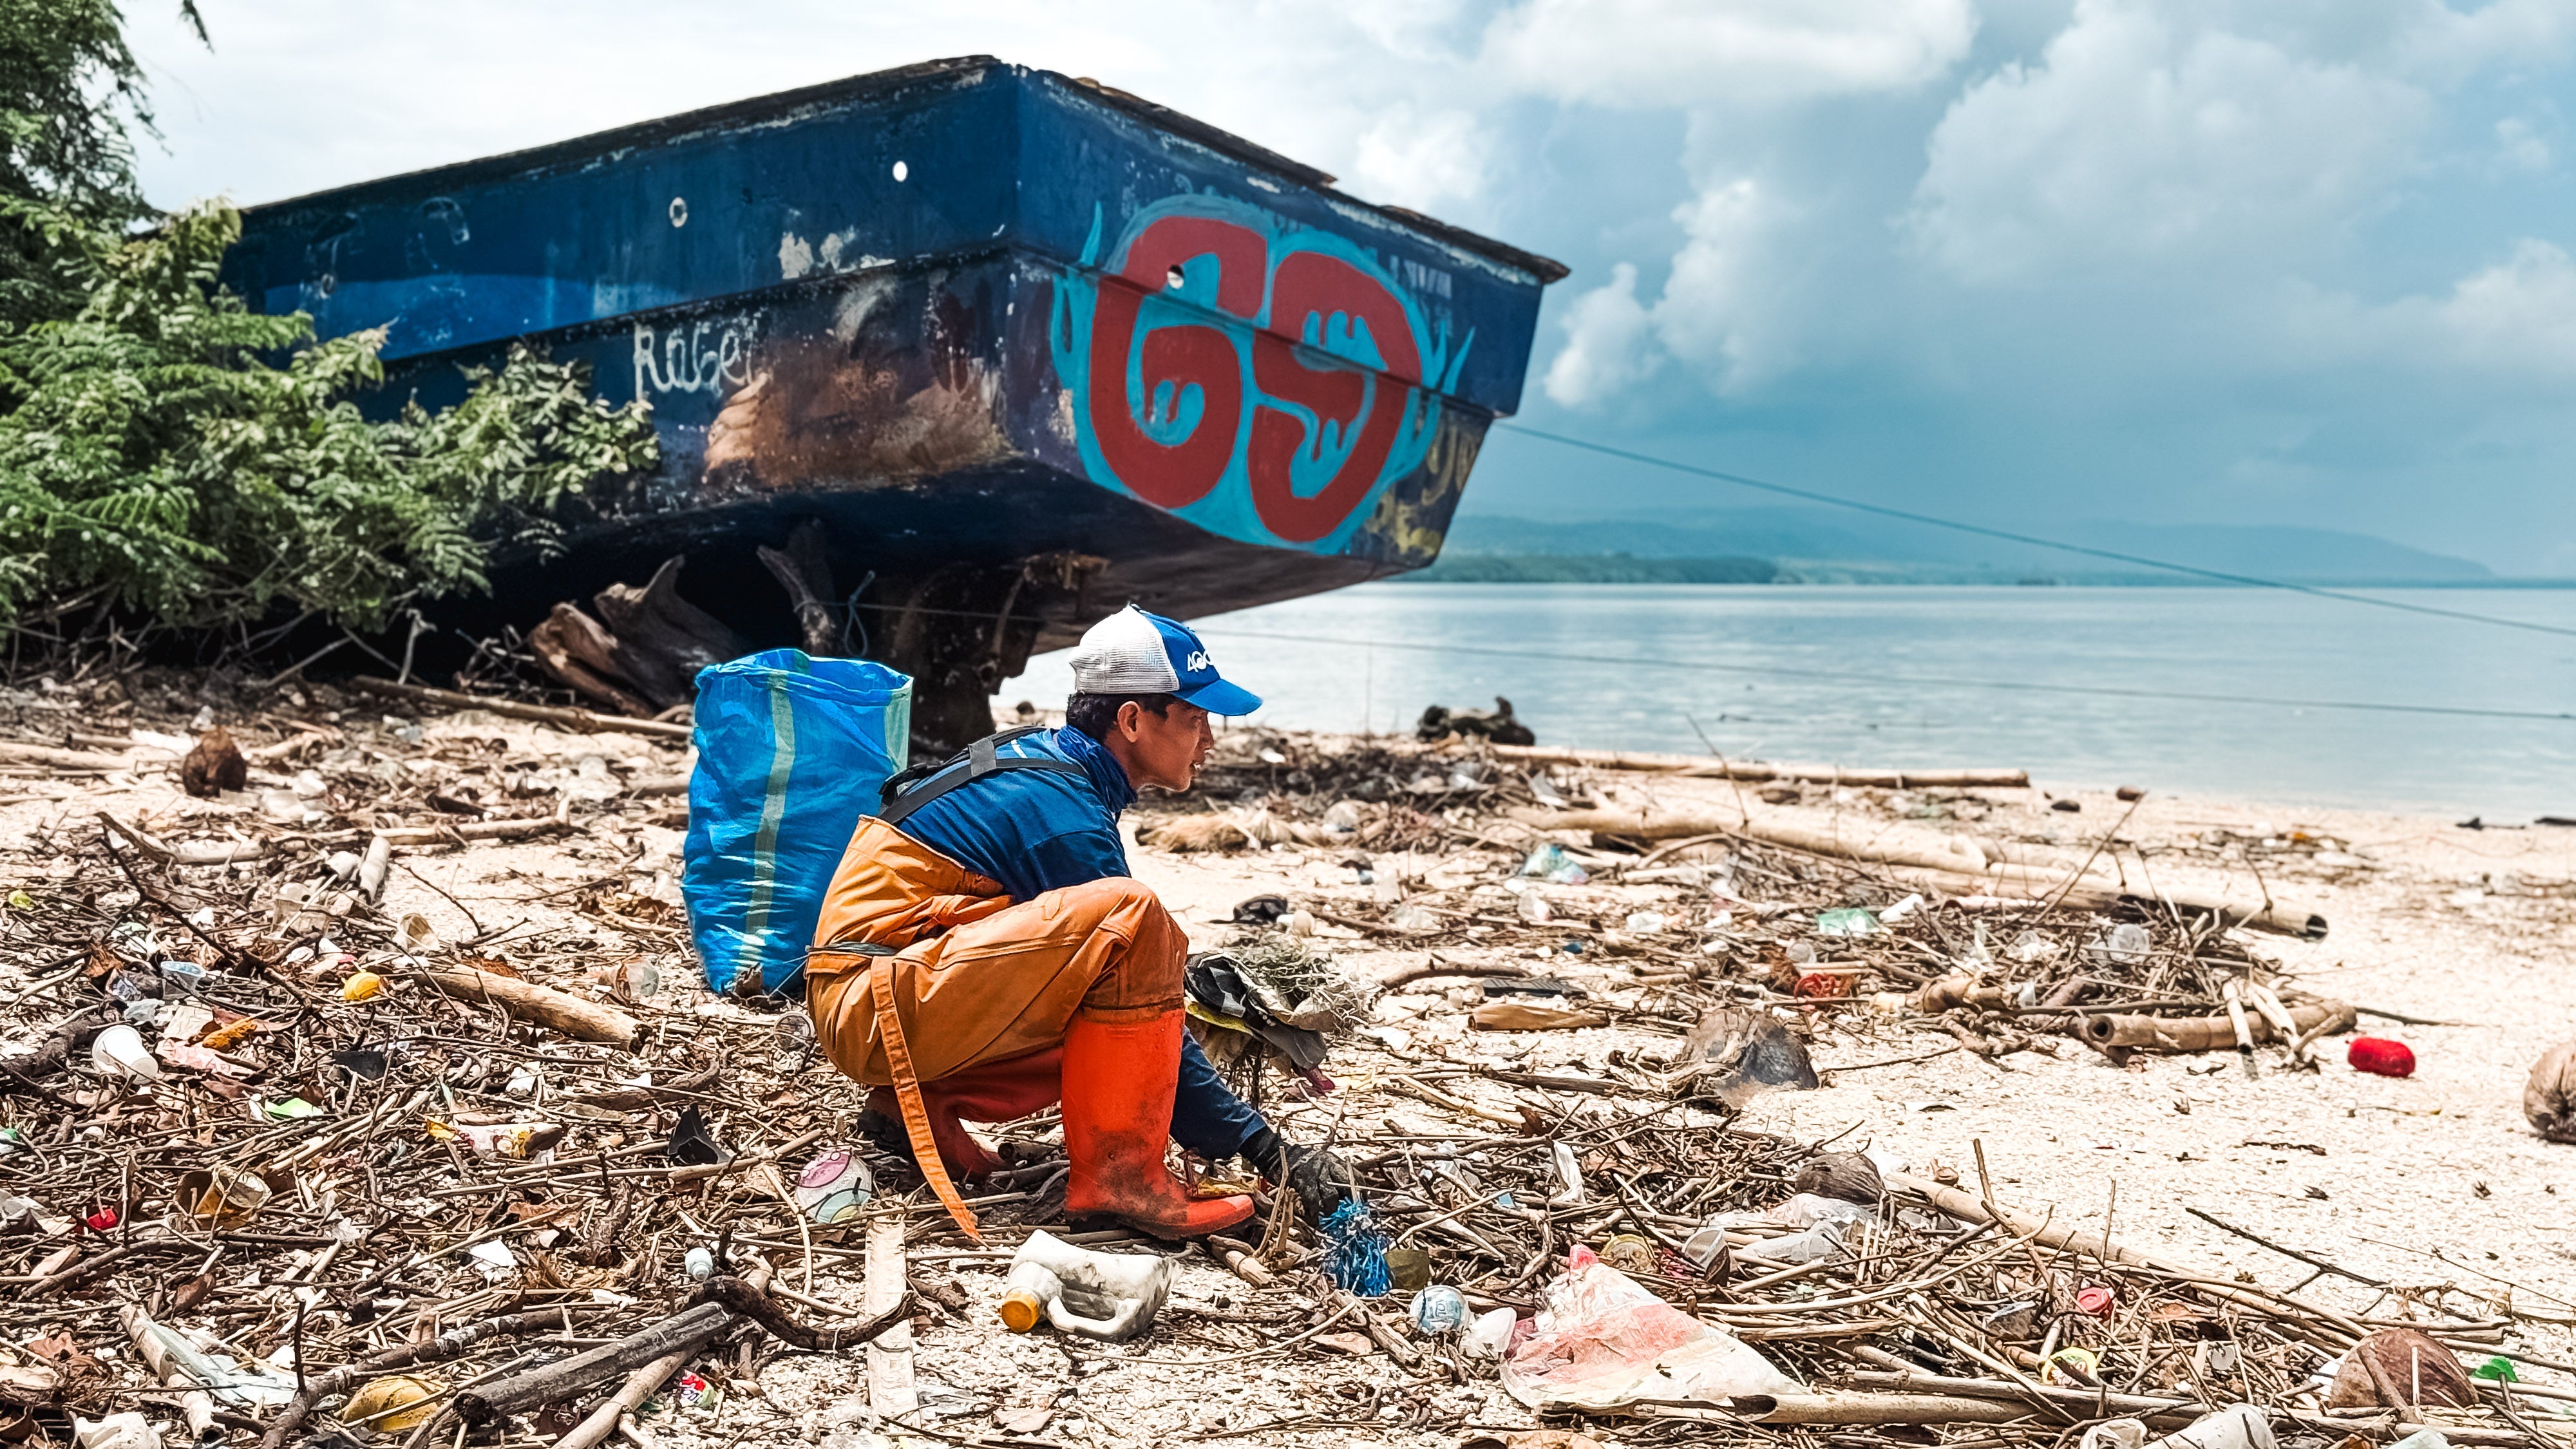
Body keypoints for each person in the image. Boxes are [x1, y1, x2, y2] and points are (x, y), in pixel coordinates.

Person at [805, 605, 1351, 1240]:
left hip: (880, 994)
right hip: (872, 1007)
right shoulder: (1058, 811)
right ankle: (1118, 1185)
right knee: (1134, 918)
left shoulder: (1051, 772)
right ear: (1131, 720)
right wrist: (1266, 1151)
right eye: (1197, 718)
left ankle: (916, 1108)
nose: (1210, 741)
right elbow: (1149, 1007)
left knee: (1114, 998)